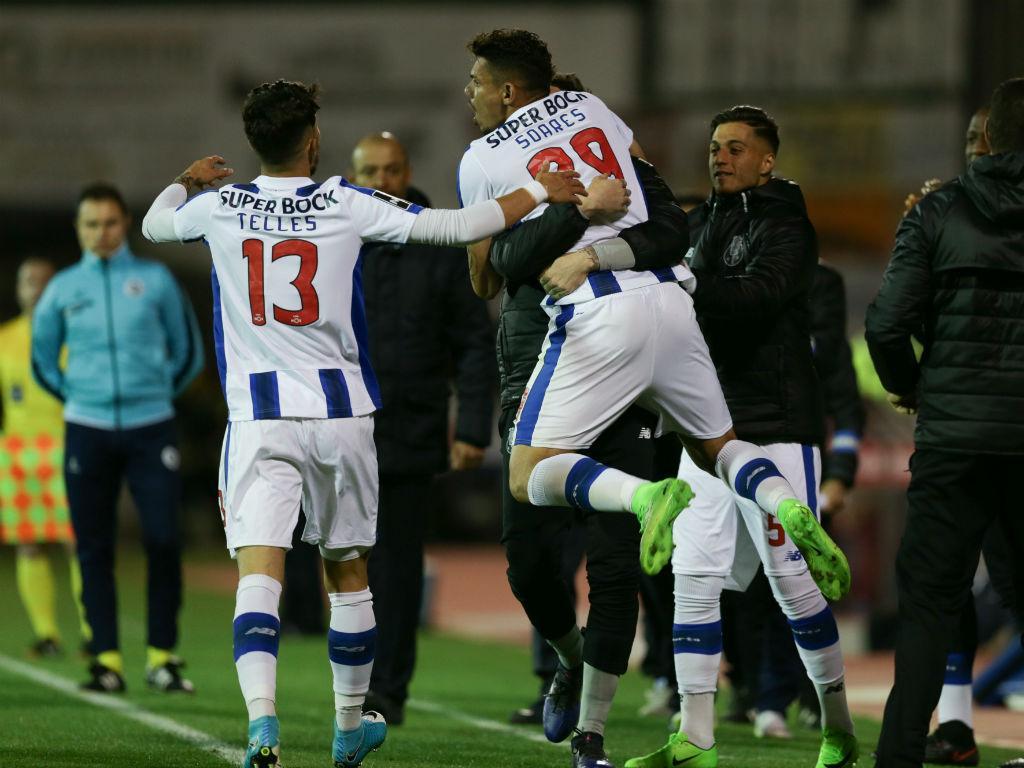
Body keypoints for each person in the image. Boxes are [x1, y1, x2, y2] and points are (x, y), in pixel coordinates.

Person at [140, 78, 585, 767]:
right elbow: (456, 227)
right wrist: (539, 191)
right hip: (342, 417)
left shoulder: (220, 205)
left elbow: (153, 224)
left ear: (254, 142)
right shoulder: (344, 201)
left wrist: (185, 180)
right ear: (314, 142)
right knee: (349, 576)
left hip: (259, 418)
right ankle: (349, 728)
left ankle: (262, 725)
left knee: (259, 576)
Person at [625, 106, 858, 768]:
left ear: (767, 161)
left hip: (777, 424)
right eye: (715, 148)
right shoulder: (703, 224)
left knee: (793, 587)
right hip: (707, 426)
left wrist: (685, 285)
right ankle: (694, 737)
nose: (720, 157)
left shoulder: (789, 227)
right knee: (693, 577)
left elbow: (758, 299)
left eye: (735, 148)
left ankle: (838, 728)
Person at [485, 67, 690, 764]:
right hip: (536, 374)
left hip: (620, 367)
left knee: (615, 568)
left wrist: (596, 251)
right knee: (526, 562)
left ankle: (592, 735)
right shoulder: (512, 174)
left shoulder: (624, 164)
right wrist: (575, 210)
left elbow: (672, 229)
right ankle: (570, 658)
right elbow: (500, 262)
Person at [866, 77, 1024, 768]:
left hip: (954, 440)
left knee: (929, 605)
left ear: (986, 137)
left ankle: (900, 755)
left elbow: (885, 325)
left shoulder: (938, 211)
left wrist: (916, 388)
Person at [31, 183, 204, 693]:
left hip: (152, 427)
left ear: (125, 223)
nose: (101, 233)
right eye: (91, 224)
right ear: (78, 228)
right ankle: (106, 660)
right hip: (87, 428)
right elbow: (44, 360)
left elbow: (188, 351)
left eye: (109, 223)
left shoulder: (155, 280)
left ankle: (162, 657)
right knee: (93, 546)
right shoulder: (62, 289)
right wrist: (79, 398)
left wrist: (156, 395)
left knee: (164, 539)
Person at [350, 131, 497, 725]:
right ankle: (351, 678)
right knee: (345, 557)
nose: (381, 181)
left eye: (391, 170)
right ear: (354, 177)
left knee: (397, 564)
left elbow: (474, 341)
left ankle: (387, 689)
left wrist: (473, 428)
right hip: (343, 426)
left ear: (407, 171)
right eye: (370, 172)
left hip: (411, 426)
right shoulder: (336, 240)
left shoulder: (439, 244)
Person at [0, 258, 89, 657]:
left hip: (68, 446)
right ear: (18, 289)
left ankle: (92, 633)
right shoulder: (4, 338)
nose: (35, 289)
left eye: (43, 282)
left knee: (78, 542)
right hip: (18, 453)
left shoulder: (77, 337)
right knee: (29, 544)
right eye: (27, 281)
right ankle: (47, 634)